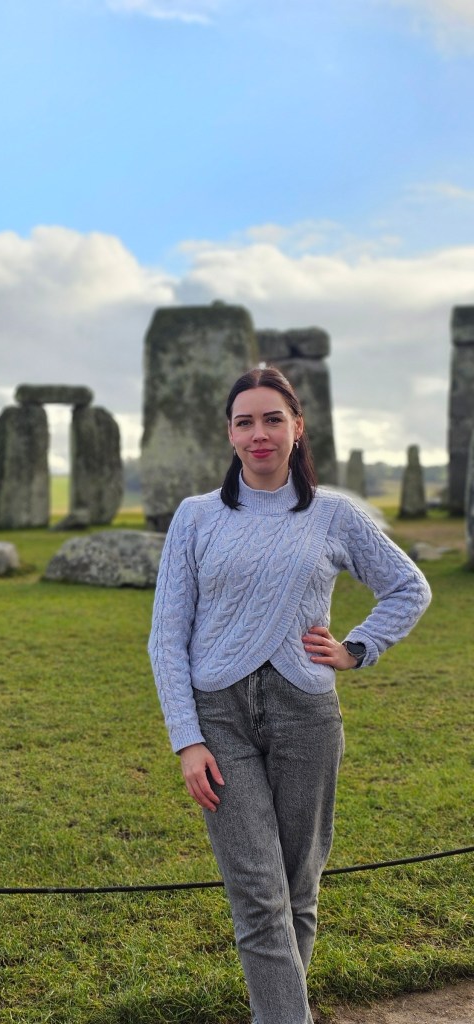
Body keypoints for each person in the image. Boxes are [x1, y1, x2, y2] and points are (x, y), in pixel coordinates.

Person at [148, 367, 432, 1024]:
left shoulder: (333, 513)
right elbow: (167, 637)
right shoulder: (196, 518)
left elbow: (408, 587)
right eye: (245, 421)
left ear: (297, 426)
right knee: (259, 899)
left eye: (273, 419)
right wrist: (187, 740)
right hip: (221, 722)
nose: (259, 433)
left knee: (299, 894)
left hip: (307, 716)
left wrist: (358, 647)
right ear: (229, 433)